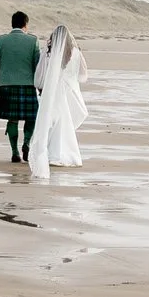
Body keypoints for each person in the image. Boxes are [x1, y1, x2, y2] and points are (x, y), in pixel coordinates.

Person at [0, 10, 45, 164]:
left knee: (12, 120)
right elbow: (37, 65)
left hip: (6, 85)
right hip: (27, 85)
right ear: (26, 25)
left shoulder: (0, 41)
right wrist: (41, 86)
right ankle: (26, 143)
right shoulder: (33, 41)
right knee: (31, 117)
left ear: (12, 24)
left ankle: (15, 152)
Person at [28, 24, 89, 180]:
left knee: (50, 120)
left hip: (53, 90)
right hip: (69, 90)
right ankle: (65, 153)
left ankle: (52, 152)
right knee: (64, 121)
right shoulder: (76, 53)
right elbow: (82, 75)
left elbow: (40, 74)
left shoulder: (48, 53)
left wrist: (40, 86)